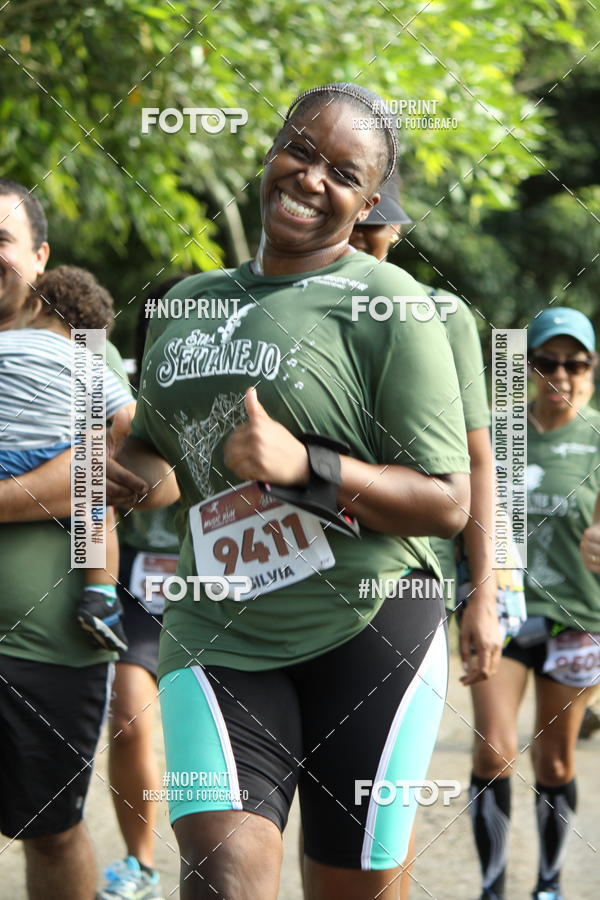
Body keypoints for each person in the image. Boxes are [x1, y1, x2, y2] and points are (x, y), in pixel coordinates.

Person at [107, 81, 472, 900]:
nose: (312, 179)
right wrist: (129, 477)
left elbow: (449, 501)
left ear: (370, 198)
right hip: (219, 633)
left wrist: (307, 465)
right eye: (301, 150)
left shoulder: (392, 305)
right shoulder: (185, 305)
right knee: (223, 877)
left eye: (343, 173)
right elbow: (163, 463)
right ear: (272, 151)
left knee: (352, 889)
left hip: (370, 629)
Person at [349, 185, 501, 899]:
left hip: (403, 582)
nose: (363, 241)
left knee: (379, 819)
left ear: (398, 231)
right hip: (272, 589)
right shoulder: (275, 302)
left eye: (377, 230)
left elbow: (476, 459)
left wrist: (484, 593)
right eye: (355, 229)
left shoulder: (439, 314)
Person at [0, 177, 134, 900]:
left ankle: (98, 594)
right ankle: (101, 592)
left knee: (51, 829)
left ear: (39, 258)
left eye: (1, 241)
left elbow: (144, 476)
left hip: (48, 648)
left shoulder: (85, 351)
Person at [469, 307, 600, 900]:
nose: (561, 375)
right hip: (507, 611)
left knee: (554, 764)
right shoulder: (498, 432)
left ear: (591, 371)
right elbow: (466, 512)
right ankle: (493, 887)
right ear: (528, 367)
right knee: (494, 749)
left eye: (575, 363)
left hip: (578, 621)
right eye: (547, 361)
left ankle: (548, 883)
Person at [98, 280, 187, 900]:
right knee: (130, 721)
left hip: (221, 593)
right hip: (133, 591)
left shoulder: (246, 396)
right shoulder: (116, 402)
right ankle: (141, 866)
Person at [0, 265, 133, 652]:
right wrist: (110, 443)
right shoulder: (86, 361)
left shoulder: (7, 342)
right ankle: (100, 598)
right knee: (97, 496)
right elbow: (128, 416)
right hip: (49, 460)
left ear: (37, 306)